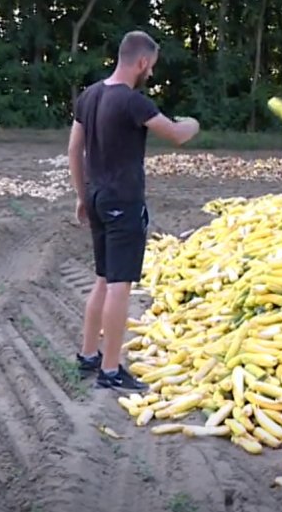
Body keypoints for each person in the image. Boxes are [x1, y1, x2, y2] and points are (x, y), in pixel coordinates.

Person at [66, 30, 200, 391]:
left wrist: (82, 196)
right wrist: (193, 124)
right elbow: (176, 134)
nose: (151, 73)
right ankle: (110, 370)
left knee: (102, 277)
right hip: (122, 202)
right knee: (119, 285)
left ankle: (88, 355)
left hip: (97, 197)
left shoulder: (89, 95)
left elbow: (74, 149)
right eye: (151, 66)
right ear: (141, 62)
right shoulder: (132, 102)